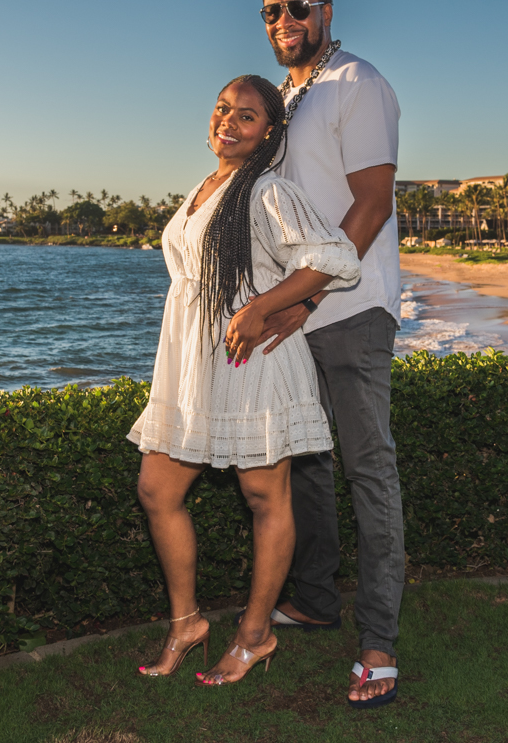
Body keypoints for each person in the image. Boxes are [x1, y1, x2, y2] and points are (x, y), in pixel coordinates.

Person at [128, 74, 361, 686]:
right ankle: (187, 623)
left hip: (250, 359)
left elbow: (333, 257)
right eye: (223, 108)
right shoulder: (205, 187)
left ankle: (255, 635)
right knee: (156, 489)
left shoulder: (267, 190)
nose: (228, 121)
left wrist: (265, 306)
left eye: (247, 115)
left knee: (265, 498)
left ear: (270, 132)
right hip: (195, 364)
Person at [251, 0, 405, 708]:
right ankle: (314, 598)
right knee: (307, 464)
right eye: (273, 11)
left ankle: (379, 642)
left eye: (298, 7)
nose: (285, 20)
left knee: (367, 468)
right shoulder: (285, 98)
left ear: (327, 12)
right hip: (298, 311)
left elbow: (370, 205)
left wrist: (306, 301)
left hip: (351, 308)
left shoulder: (358, 83)